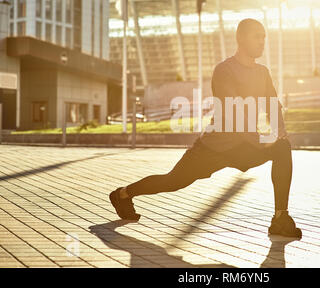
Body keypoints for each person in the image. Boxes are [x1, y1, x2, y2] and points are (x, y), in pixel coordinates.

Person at [109, 18, 301, 238]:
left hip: (246, 145)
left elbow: (272, 105)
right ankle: (123, 195)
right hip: (215, 147)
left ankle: (280, 218)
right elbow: (232, 113)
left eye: (264, 37)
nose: (262, 41)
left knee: (282, 148)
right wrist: (262, 140)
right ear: (240, 38)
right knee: (172, 181)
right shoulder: (224, 70)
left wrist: (278, 133)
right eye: (256, 36)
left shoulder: (262, 72)